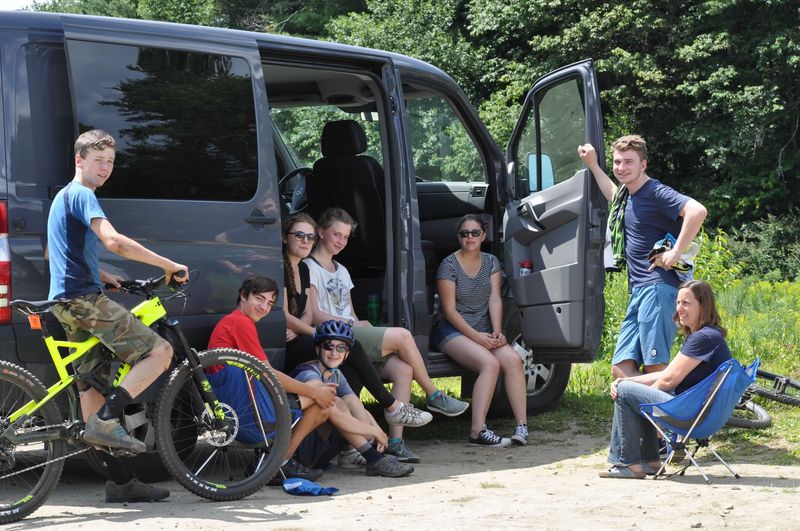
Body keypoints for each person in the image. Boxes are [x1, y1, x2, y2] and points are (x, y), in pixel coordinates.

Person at [47, 129, 188, 503]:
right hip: (84, 302)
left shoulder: (63, 197)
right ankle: (109, 419)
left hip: (66, 303)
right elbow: (114, 241)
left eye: (110, 162)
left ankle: (121, 481)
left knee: (91, 389)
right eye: (99, 161)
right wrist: (168, 264)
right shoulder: (83, 195)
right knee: (160, 351)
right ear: (79, 160)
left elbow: (53, 253)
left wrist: (102, 275)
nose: (106, 168)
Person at [282, 213, 431, 464]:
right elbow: (286, 315)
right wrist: (318, 333)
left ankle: (354, 446)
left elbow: (306, 314)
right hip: (291, 341)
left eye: (308, 236)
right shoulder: (285, 267)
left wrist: (307, 329)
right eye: (299, 235)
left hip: (304, 334)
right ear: (285, 238)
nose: (305, 240)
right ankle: (392, 405)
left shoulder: (303, 269)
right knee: (354, 346)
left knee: (349, 366)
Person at [305, 209, 470, 434]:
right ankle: (434, 395)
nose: (341, 241)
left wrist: (357, 322)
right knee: (403, 335)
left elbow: (350, 311)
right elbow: (315, 314)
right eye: (336, 235)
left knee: (404, 369)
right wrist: (351, 324)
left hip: (351, 333)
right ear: (321, 232)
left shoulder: (342, 270)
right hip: (333, 335)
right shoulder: (310, 267)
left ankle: (396, 443)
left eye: (345, 237)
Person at [578, 135, 707, 380]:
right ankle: (664, 397)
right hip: (639, 289)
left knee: (655, 367)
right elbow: (612, 193)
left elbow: (697, 211)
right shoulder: (627, 196)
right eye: (617, 162)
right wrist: (593, 164)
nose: (621, 167)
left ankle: (682, 400)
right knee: (621, 369)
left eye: (629, 162)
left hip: (658, 288)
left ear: (643, 165)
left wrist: (676, 252)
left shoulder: (655, 191)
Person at [206, 276, 338, 481]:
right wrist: (314, 393)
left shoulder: (233, 321)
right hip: (252, 416)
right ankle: (279, 463)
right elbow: (268, 374)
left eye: (269, 303)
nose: (264, 307)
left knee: (322, 396)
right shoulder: (240, 322)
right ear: (243, 296)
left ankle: (272, 460)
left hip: (238, 410)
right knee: (322, 404)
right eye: (259, 299)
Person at [600, 279, 732, 479]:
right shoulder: (707, 335)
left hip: (692, 414)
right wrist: (632, 383)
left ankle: (627, 463)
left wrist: (632, 390)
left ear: (703, 305)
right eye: (678, 303)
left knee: (625, 392)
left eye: (686, 303)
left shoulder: (703, 338)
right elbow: (668, 373)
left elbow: (668, 381)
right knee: (628, 388)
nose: (679, 308)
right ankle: (650, 462)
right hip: (703, 413)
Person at [433, 214, 528, 447]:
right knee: (490, 364)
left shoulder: (491, 262)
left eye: (475, 232)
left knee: (514, 361)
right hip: (452, 330)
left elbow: (495, 299)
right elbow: (449, 311)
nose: (470, 237)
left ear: (483, 235)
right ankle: (477, 431)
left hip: (484, 329)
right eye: (464, 233)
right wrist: (477, 337)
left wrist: (497, 332)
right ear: (459, 237)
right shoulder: (448, 265)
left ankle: (521, 426)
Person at [293, 321, 414, 478]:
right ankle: (374, 459)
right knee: (335, 402)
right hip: (298, 452)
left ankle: (377, 456)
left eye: (340, 348)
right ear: (318, 349)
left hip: (319, 451)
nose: (334, 352)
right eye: (328, 346)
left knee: (349, 400)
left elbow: (357, 407)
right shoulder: (308, 373)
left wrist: (379, 434)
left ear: (347, 354)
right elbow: (336, 413)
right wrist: (373, 432)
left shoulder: (335, 374)